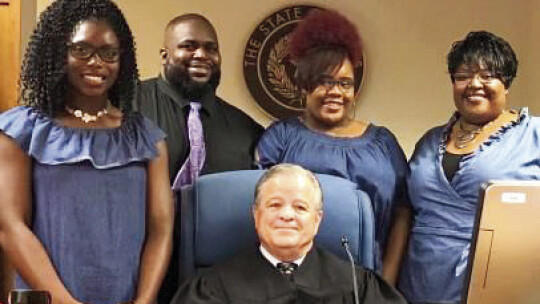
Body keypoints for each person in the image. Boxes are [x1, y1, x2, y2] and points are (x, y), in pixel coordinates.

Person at [0, 1, 174, 304]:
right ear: (57, 53)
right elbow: (11, 226)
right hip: (46, 298)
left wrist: (143, 302)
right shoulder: (22, 130)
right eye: (82, 50)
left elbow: (161, 230)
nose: (97, 63)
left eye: (109, 54)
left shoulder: (146, 137)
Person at [257, 9, 408, 274]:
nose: (336, 92)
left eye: (345, 84)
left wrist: (386, 283)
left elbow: (402, 215)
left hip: (366, 279)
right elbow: (263, 211)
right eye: (325, 82)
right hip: (292, 278)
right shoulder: (281, 138)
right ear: (304, 86)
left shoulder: (383, 143)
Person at [397, 31, 540, 304]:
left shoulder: (534, 135)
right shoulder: (429, 141)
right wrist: (385, 288)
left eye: (488, 76)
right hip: (418, 286)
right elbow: (405, 213)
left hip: (496, 288)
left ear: (506, 83)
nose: (474, 84)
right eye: (463, 76)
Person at [171, 164, 407, 304]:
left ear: (317, 220)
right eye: (274, 205)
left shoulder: (359, 287)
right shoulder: (213, 287)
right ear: (256, 215)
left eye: (300, 207)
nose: (286, 215)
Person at [136, 14, 264, 184]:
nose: (202, 55)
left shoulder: (247, 129)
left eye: (211, 49)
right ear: (164, 56)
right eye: (189, 46)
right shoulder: (128, 105)